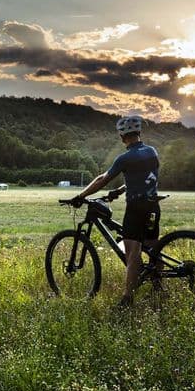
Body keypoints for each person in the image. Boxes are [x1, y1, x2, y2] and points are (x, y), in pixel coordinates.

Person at [71, 115, 160, 306]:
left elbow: (102, 180)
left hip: (136, 209)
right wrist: (119, 191)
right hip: (153, 205)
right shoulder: (151, 151)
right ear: (139, 132)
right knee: (154, 248)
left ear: (122, 137)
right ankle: (158, 287)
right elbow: (143, 178)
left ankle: (127, 299)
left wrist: (81, 195)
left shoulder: (124, 158)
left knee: (132, 253)